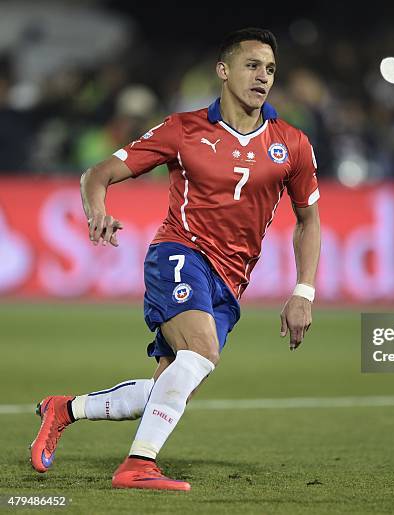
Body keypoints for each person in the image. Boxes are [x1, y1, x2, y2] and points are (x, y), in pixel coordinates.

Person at [29, 28, 321, 492]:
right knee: (200, 353)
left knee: (173, 386)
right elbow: (97, 173)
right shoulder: (183, 130)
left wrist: (303, 291)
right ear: (223, 72)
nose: (262, 77)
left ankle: (65, 409)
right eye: (251, 66)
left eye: (269, 69)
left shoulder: (293, 144)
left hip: (230, 281)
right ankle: (137, 466)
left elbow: (308, 220)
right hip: (179, 253)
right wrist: (97, 211)